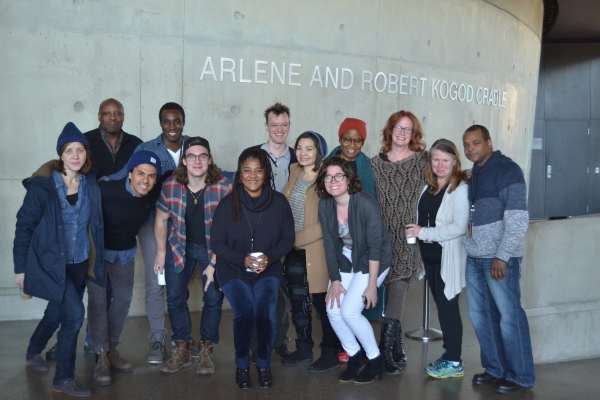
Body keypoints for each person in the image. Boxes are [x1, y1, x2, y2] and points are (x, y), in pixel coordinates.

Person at [14, 122, 103, 397]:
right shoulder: (44, 186)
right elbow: (24, 226)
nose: (75, 155)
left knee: (56, 312)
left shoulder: (89, 182)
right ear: (60, 154)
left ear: (86, 154)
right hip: (50, 264)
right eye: (68, 150)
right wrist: (20, 268)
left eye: (80, 150)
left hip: (79, 263)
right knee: (75, 314)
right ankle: (63, 378)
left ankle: (32, 350)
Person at [107, 102, 188, 364]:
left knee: (180, 283)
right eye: (167, 121)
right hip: (153, 222)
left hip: (187, 223)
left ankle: (183, 339)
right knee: (157, 281)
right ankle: (157, 340)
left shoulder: (194, 148)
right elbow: (123, 175)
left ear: (183, 122)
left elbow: (214, 175)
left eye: (176, 121)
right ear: (161, 123)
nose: (172, 126)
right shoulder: (146, 149)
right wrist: (87, 183)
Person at [211, 148, 295, 389]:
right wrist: (243, 260)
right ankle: (242, 366)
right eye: (247, 170)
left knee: (267, 313)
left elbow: (288, 239)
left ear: (266, 173)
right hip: (233, 269)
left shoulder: (279, 203)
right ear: (239, 175)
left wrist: (269, 257)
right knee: (245, 312)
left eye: (258, 170)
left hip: (267, 270)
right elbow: (217, 243)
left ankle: (264, 363)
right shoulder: (228, 204)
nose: (252, 175)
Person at [462, 125, 534, 394]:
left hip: (499, 259)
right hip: (475, 256)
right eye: (467, 145)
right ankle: (495, 368)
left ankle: (521, 376)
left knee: (509, 317)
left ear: (489, 143)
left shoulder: (508, 170)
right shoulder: (477, 173)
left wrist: (502, 256)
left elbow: (517, 219)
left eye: (476, 143)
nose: (471, 149)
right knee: (481, 316)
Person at [153, 137, 232, 375]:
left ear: (209, 160)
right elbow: (160, 220)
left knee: (213, 300)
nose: (197, 160)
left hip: (212, 250)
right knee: (175, 299)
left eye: (202, 156)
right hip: (179, 247)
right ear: (184, 161)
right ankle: (183, 349)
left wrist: (216, 260)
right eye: (192, 156)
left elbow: (230, 226)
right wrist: (160, 252)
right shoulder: (170, 185)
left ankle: (206, 350)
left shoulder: (224, 187)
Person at [88, 151, 163, 386]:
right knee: (98, 302)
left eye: (151, 176)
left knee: (122, 301)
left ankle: (112, 350)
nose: (145, 180)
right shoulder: (106, 190)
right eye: (140, 173)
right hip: (97, 254)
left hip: (125, 253)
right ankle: (100, 357)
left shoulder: (152, 195)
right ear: (129, 173)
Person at [316, 157, 392, 384]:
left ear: (348, 179)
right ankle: (354, 355)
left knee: (350, 311)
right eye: (328, 176)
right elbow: (329, 245)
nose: (333, 181)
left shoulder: (365, 203)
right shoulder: (325, 205)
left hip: (372, 259)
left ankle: (375, 359)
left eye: (338, 175)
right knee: (333, 309)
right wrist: (335, 280)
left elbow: (375, 246)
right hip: (347, 258)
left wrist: (371, 286)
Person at [405, 139, 469, 379]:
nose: (440, 165)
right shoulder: (428, 187)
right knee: (443, 309)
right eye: (436, 159)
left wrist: (424, 233)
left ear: (454, 162)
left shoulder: (460, 189)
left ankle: (454, 362)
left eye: (445, 160)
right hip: (429, 258)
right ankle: (449, 355)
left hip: (447, 258)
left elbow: (459, 227)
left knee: (448, 308)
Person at [370, 110, 428, 373]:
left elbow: (446, 172)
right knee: (388, 292)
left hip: (408, 237)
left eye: (408, 129)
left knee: (397, 289)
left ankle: (385, 351)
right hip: (382, 236)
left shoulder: (421, 161)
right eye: (398, 128)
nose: (403, 133)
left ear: (413, 134)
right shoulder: (375, 164)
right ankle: (397, 345)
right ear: (390, 130)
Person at [281, 131, 340, 373]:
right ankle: (303, 348)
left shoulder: (329, 176)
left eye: (309, 148)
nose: (303, 153)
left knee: (322, 303)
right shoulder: (294, 170)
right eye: (299, 147)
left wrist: (292, 238)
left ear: (319, 151)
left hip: (317, 251)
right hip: (293, 251)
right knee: (297, 302)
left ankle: (330, 353)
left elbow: (329, 221)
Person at [246, 102, 297, 359]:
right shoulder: (254, 155)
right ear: (266, 126)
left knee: (282, 288)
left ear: (289, 126)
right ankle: (257, 344)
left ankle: (280, 341)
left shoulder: (298, 157)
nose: (279, 129)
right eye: (274, 124)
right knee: (259, 287)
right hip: (258, 229)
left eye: (284, 124)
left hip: (288, 230)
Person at [84, 98, 143, 179]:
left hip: (126, 192)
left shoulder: (137, 144)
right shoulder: (84, 141)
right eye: (107, 114)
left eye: (118, 114)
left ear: (123, 116)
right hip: (95, 191)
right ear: (99, 116)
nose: (113, 118)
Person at [326, 118, 376, 199]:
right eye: (348, 139)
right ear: (341, 140)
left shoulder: (371, 166)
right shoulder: (326, 165)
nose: (352, 145)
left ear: (362, 143)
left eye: (357, 140)